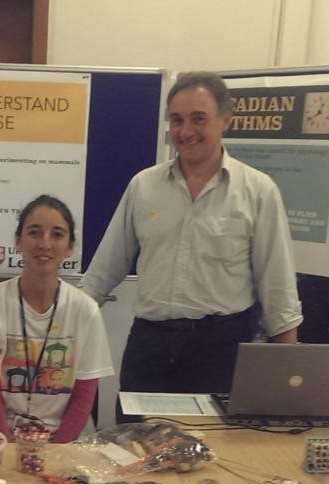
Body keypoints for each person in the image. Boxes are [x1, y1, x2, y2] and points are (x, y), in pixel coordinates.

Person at [81, 71, 302, 402]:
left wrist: (289, 377)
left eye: (199, 119)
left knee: (217, 451)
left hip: (220, 350)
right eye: (176, 120)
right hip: (150, 346)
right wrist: (63, 327)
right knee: (134, 445)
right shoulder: (144, 186)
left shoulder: (258, 192)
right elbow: (104, 270)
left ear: (226, 120)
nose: (185, 131)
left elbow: (278, 289)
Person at [0, 195, 114, 441]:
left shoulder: (85, 310)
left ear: (70, 246)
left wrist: (55, 452)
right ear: (18, 241)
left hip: (62, 438)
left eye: (57, 234)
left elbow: (85, 394)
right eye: (34, 232)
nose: (45, 243)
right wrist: (9, 450)